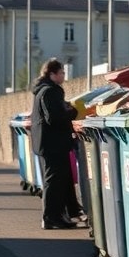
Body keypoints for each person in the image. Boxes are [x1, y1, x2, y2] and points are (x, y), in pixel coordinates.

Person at [31, 58, 80, 230]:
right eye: (61, 73)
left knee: (60, 179)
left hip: (49, 142)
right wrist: (72, 112)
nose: (64, 76)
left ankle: (65, 213)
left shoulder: (43, 90)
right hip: (53, 143)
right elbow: (53, 118)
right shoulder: (50, 91)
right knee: (54, 181)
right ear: (52, 74)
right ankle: (51, 218)